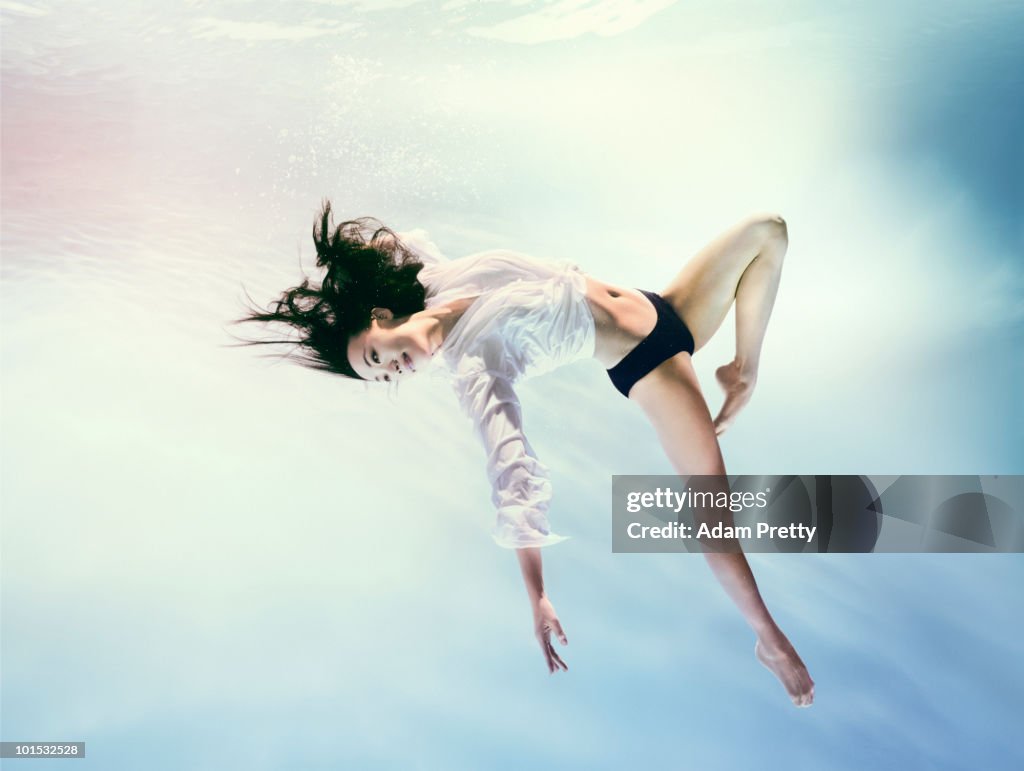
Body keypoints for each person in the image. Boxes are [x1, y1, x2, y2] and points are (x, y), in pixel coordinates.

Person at [236, 202, 815, 707]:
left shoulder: (437, 278)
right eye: (383, 376)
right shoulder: (474, 366)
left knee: (769, 229)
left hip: (666, 308)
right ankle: (768, 638)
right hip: (651, 365)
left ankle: (744, 370)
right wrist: (537, 593)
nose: (394, 369)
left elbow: (397, 243)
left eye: (376, 356)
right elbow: (512, 474)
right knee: (712, 513)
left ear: (379, 319)